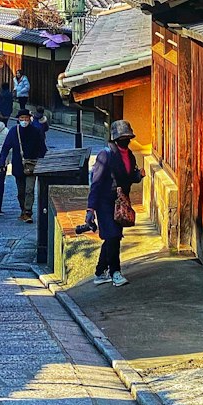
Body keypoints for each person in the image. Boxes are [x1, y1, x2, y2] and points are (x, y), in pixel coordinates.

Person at [85, 119, 144, 288]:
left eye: (128, 136)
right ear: (116, 138)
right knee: (112, 235)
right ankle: (115, 272)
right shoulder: (106, 155)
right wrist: (90, 209)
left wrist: (139, 175)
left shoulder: (130, 155)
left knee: (114, 237)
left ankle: (99, 272)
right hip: (104, 201)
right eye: (123, 137)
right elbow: (96, 183)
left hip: (120, 202)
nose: (126, 139)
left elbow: (130, 177)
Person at [0, 106, 47, 222]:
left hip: (32, 164)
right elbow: (5, 147)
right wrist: (1, 162)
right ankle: (23, 209)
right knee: (21, 191)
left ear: (30, 119)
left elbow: (42, 148)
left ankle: (28, 212)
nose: (24, 120)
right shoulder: (14, 131)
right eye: (22, 118)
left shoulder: (36, 131)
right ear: (18, 119)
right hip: (18, 165)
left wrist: (44, 161)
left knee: (29, 190)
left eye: (26, 118)